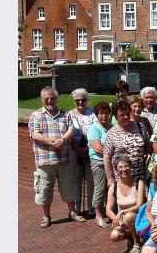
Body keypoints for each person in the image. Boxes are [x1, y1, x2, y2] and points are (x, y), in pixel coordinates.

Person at [30, 86, 84, 228]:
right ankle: (46, 216)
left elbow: (72, 129)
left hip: (64, 159)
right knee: (45, 189)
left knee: (69, 187)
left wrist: (63, 140)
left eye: (52, 98)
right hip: (45, 160)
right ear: (41, 99)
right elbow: (34, 134)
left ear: (56, 98)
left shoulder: (65, 114)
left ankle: (72, 212)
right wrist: (52, 142)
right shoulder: (36, 115)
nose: (49, 100)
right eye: (46, 98)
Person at [106, 154, 146, 253]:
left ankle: (137, 244)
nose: (124, 169)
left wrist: (122, 212)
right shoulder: (113, 187)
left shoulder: (138, 182)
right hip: (123, 221)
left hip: (139, 218)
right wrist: (116, 219)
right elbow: (108, 210)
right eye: (120, 167)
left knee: (129, 216)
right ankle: (130, 239)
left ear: (131, 167)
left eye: (126, 166)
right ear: (116, 169)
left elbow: (139, 205)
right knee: (114, 236)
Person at [103, 100, 151, 185]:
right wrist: (110, 179)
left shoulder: (140, 126)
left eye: (127, 114)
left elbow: (148, 143)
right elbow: (107, 157)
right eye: (122, 115)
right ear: (116, 117)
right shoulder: (111, 133)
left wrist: (148, 152)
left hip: (140, 176)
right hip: (122, 178)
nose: (126, 117)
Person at [69, 88, 95, 218]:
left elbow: (96, 131)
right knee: (76, 181)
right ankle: (77, 208)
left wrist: (86, 149)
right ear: (74, 101)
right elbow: (67, 134)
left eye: (83, 100)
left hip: (90, 151)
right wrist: (78, 149)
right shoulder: (69, 115)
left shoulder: (92, 114)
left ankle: (91, 207)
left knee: (91, 181)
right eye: (77, 100)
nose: (80, 102)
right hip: (74, 152)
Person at [87, 101, 114, 227]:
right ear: (97, 115)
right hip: (99, 162)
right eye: (101, 113)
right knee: (100, 188)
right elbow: (97, 148)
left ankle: (112, 213)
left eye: (106, 113)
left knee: (113, 189)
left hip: (113, 163)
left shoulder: (111, 126)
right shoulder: (94, 128)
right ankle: (98, 215)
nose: (104, 116)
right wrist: (111, 155)